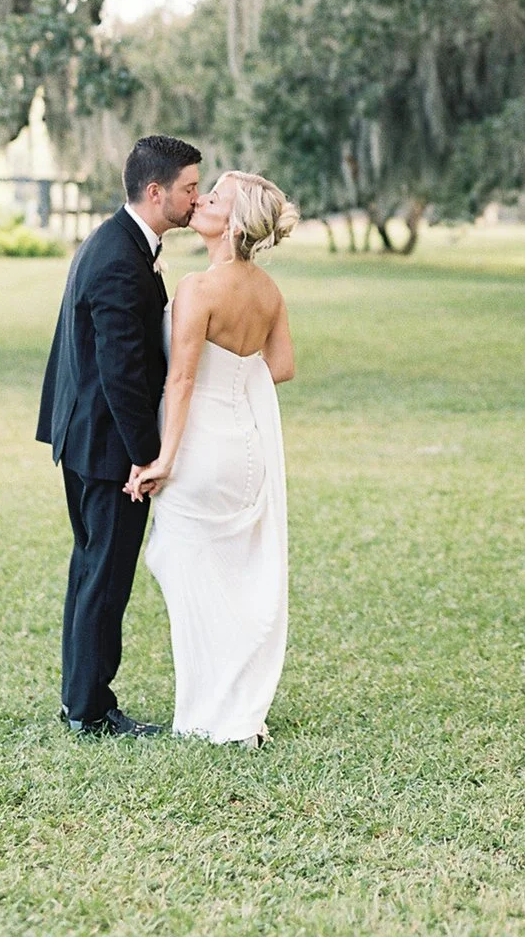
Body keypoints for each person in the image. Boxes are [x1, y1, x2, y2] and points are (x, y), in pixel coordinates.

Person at [37, 134, 202, 738]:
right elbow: (122, 373)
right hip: (106, 449)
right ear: (156, 192)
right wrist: (147, 458)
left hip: (87, 439)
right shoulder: (117, 258)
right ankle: (90, 710)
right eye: (189, 188)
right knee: (105, 576)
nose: (196, 198)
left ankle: (78, 697)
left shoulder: (122, 243)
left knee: (92, 570)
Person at [131, 170, 301, 747]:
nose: (199, 199)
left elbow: (180, 380)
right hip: (244, 446)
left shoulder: (198, 288)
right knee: (229, 573)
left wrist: (164, 459)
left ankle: (210, 713)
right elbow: (279, 368)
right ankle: (237, 709)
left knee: (189, 572)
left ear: (230, 222)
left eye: (214, 197)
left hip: (200, 446)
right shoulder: (268, 292)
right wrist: (234, 374)